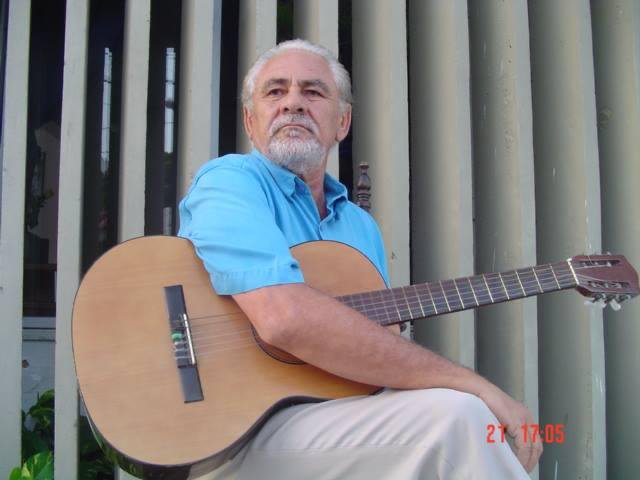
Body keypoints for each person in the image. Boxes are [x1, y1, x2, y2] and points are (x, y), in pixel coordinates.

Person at [178, 39, 541, 479]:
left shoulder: (359, 227)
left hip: (333, 419)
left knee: (472, 423)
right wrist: (475, 385)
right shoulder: (230, 182)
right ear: (249, 121)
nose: (293, 103)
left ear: (342, 122)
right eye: (275, 91)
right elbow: (283, 319)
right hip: (233, 434)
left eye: (313, 92)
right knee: (460, 416)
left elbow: (372, 355)